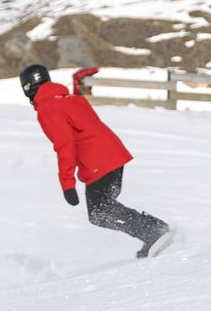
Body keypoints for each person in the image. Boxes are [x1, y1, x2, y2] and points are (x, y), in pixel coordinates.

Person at [20, 63, 173, 258]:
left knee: (100, 212)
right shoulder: (67, 98)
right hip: (112, 153)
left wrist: (67, 184)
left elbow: (64, 145)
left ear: (26, 88)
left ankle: (154, 231)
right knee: (103, 209)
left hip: (99, 161)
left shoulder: (48, 108)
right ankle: (153, 231)